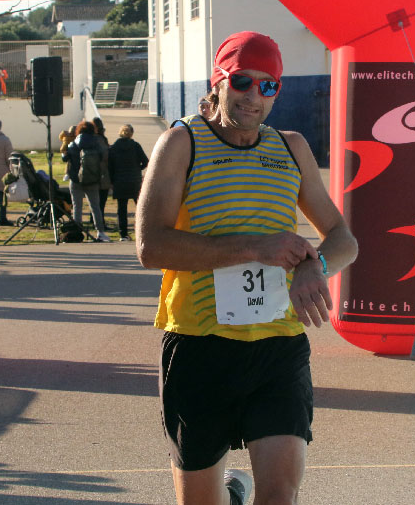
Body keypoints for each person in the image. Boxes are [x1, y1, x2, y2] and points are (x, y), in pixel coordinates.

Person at [136, 31, 358, 505]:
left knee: (280, 495)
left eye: (268, 86)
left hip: (277, 346)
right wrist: (255, 248)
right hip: (199, 346)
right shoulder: (182, 142)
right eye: (242, 81)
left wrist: (313, 266)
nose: (254, 96)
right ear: (218, 82)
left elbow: (344, 239)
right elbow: (151, 246)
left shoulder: (291, 147)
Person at [62, 120, 110, 242]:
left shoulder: (74, 144)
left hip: (75, 179)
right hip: (92, 179)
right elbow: (103, 157)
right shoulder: (97, 143)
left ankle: (77, 231)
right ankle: (100, 232)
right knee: (95, 206)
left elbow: (65, 158)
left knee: (77, 206)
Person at [108, 124, 149, 241]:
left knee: (122, 209)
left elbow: (110, 167)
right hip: (134, 181)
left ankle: (123, 234)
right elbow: (146, 161)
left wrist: (112, 180)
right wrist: (137, 169)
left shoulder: (114, 148)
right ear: (131, 133)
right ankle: (143, 231)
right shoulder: (135, 146)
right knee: (140, 207)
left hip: (119, 181)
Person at [93, 116, 112, 225]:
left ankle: (95, 220)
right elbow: (105, 156)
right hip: (103, 174)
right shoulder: (101, 139)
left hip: (92, 174)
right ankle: (100, 223)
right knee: (101, 201)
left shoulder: (90, 139)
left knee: (94, 201)